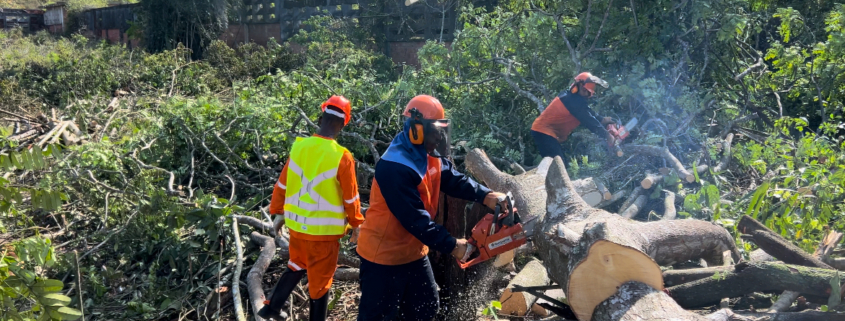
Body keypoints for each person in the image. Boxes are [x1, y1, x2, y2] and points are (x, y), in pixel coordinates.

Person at [355, 94, 510, 321]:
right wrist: (452, 245)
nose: (439, 137)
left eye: (441, 130)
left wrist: (485, 195)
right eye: (435, 130)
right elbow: (414, 219)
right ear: (417, 128)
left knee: (425, 308)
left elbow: (453, 178)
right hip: (384, 257)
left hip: (414, 251)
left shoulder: (429, 155)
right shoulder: (394, 166)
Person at [258, 95, 364, 321]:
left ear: (321, 115)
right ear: (344, 123)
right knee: (321, 282)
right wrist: (357, 224)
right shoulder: (342, 156)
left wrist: (278, 213)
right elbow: (350, 197)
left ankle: (271, 309)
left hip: (297, 228)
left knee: (296, 264)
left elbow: (283, 184)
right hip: (324, 237)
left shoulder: (299, 147)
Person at [530, 72, 617, 162]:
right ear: (577, 85)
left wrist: (604, 120)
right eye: (584, 90)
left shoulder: (572, 98)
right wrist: (607, 136)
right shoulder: (571, 101)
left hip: (549, 133)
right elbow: (589, 121)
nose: (585, 94)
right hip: (543, 132)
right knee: (558, 166)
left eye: (587, 92)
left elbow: (590, 113)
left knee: (559, 164)